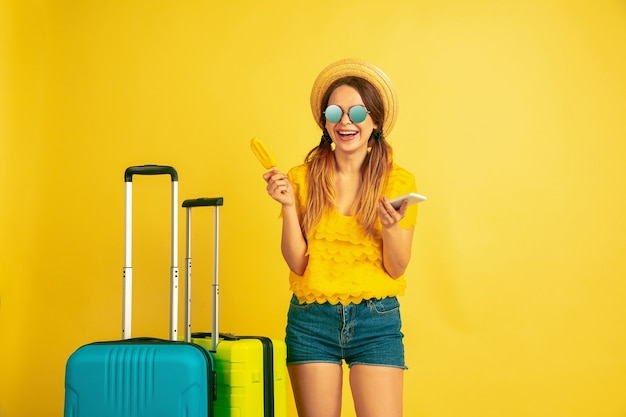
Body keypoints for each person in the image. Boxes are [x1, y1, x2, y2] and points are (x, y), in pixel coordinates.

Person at [263, 58, 419, 417]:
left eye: (357, 113)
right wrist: (288, 207)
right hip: (311, 321)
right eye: (335, 112)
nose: (345, 121)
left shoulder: (398, 183)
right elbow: (298, 263)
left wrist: (391, 226)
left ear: (375, 121)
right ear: (324, 121)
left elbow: (396, 269)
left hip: (376, 320)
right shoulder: (301, 178)